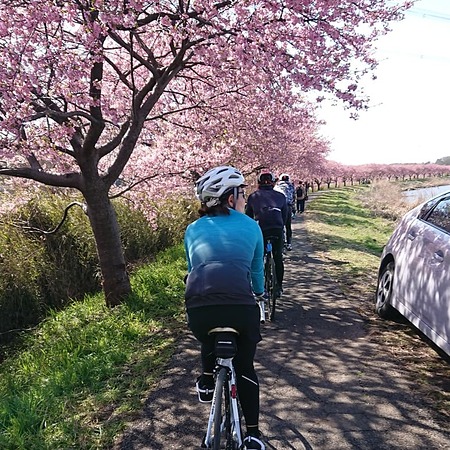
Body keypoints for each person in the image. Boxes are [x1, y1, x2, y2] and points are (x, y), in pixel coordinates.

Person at [184, 165, 266, 450]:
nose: (244, 198)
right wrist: (260, 294)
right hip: (241, 307)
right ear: (229, 198)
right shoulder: (251, 226)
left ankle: (207, 379)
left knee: (209, 332)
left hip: (199, 305)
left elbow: (193, 267)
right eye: (241, 192)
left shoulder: (192, 229)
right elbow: (257, 272)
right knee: (244, 366)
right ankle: (253, 435)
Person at [245, 169, 287, 298]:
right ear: (273, 183)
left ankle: (258, 287)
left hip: (261, 230)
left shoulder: (253, 197)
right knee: (278, 257)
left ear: (259, 183)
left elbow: (248, 217)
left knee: (258, 258)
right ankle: (278, 287)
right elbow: (284, 217)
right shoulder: (281, 196)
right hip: (277, 229)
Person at [274, 173, 295, 251]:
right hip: (288, 207)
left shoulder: (276, 186)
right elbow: (293, 198)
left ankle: (280, 243)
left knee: (280, 225)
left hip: (278, 207)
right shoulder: (291, 186)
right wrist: (293, 208)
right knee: (288, 226)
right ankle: (289, 243)